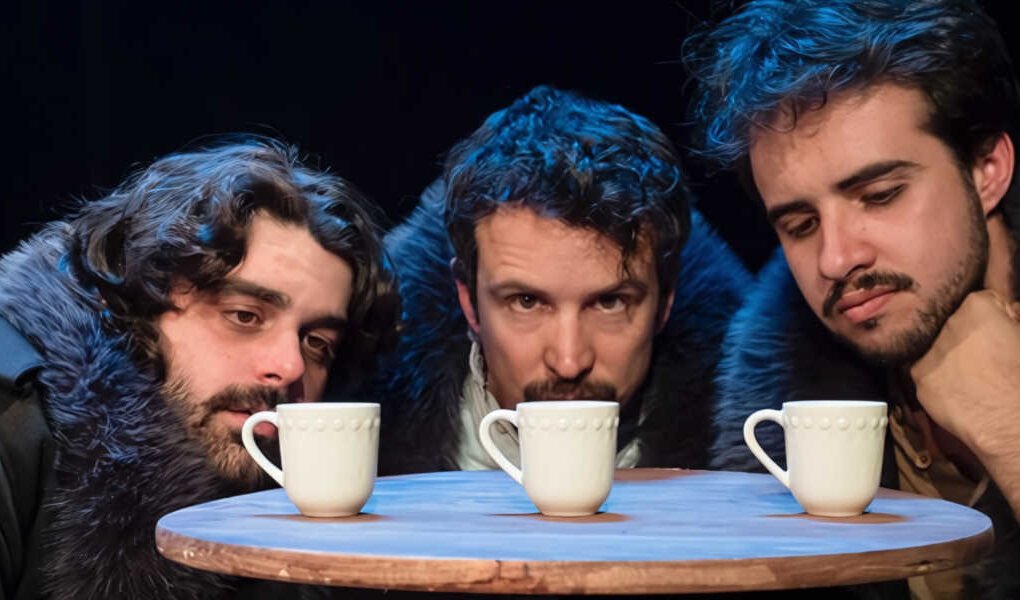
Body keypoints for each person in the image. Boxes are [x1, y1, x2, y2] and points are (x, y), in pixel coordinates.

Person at [685, 0, 1020, 596]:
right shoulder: (776, 404)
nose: (837, 260)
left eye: (881, 195)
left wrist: (1008, 420)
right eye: (800, 225)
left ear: (987, 169)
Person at [0, 138, 399, 599]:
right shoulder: (13, 420)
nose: (290, 367)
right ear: (137, 303)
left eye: (317, 343)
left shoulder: (294, 486)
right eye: (245, 316)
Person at [377, 85, 750, 475]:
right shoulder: (358, 447)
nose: (569, 362)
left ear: (665, 302)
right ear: (468, 300)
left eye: (609, 303)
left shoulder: (755, 461)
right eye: (526, 301)